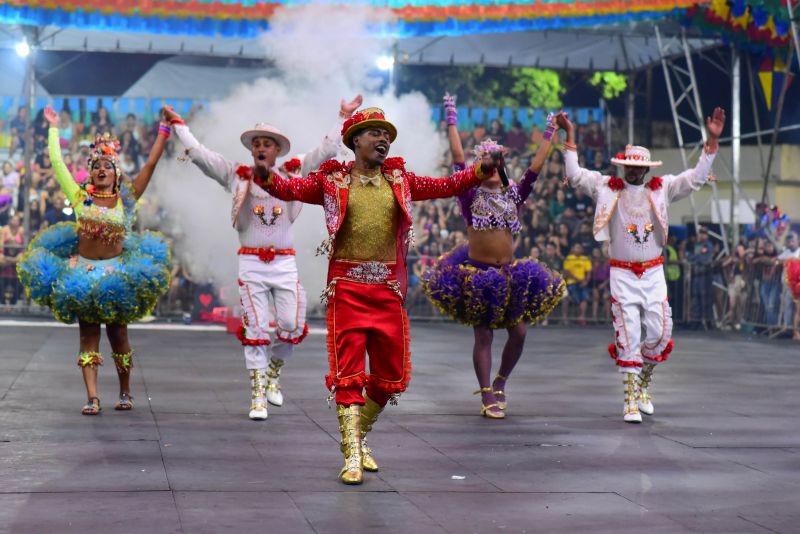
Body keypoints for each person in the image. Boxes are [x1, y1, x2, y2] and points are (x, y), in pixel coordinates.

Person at [262, 106, 502, 484]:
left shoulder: (401, 180)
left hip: (388, 291)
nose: (383, 139)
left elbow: (446, 186)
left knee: (392, 376)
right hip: (348, 289)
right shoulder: (332, 182)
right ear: (355, 141)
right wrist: (264, 175)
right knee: (349, 375)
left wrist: (479, 171)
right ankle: (352, 455)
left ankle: (359, 436)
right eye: (375, 132)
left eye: (386, 134)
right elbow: (288, 189)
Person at [165, 96, 362, 420]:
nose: (261, 147)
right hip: (252, 263)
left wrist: (343, 115)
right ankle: (257, 396)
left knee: (291, 324)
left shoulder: (294, 169)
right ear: (252, 149)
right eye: (256, 143)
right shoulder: (237, 175)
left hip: (285, 263)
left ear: (276, 149)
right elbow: (201, 155)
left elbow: (327, 148)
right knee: (255, 328)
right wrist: (179, 126)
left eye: (267, 143)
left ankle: (274, 371)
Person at [557, 107, 724, 423]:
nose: (634, 172)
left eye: (639, 167)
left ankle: (643, 383)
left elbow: (697, 178)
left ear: (646, 169)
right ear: (622, 166)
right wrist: (571, 136)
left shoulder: (662, 188)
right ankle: (630, 400)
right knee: (629, 333)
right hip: (621, 272)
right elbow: (576, 174)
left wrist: (711, 143)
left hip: (654, 272)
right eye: (629, 167)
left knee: (661, 333)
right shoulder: (607, 187)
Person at [17, 105, 171, 415]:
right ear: (91, 170)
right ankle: (92, 397)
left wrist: (164, 131)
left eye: (108, 166)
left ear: (117, 172)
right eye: (97, 165)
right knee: (88, 335)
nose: (102, 170)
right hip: (82, 276)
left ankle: (125, 391)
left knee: (119, 336)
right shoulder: (79, 196)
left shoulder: (125, 199)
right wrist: (53, 128)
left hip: (117, 275)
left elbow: (151, 164)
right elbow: (58, 162)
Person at [422, 94, 564, 419]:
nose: (489, 166)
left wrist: (549, 132)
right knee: (484, 334)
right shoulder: (468, 191)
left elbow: (537, 166)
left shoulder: (513, 192)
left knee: (519, 332)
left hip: (510, 274)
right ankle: (486, 393)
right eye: (483, 161)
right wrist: (452, 117)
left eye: (493, 161)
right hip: (478, 273)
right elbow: (458, 155)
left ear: (500, 166)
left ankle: (501, 381)